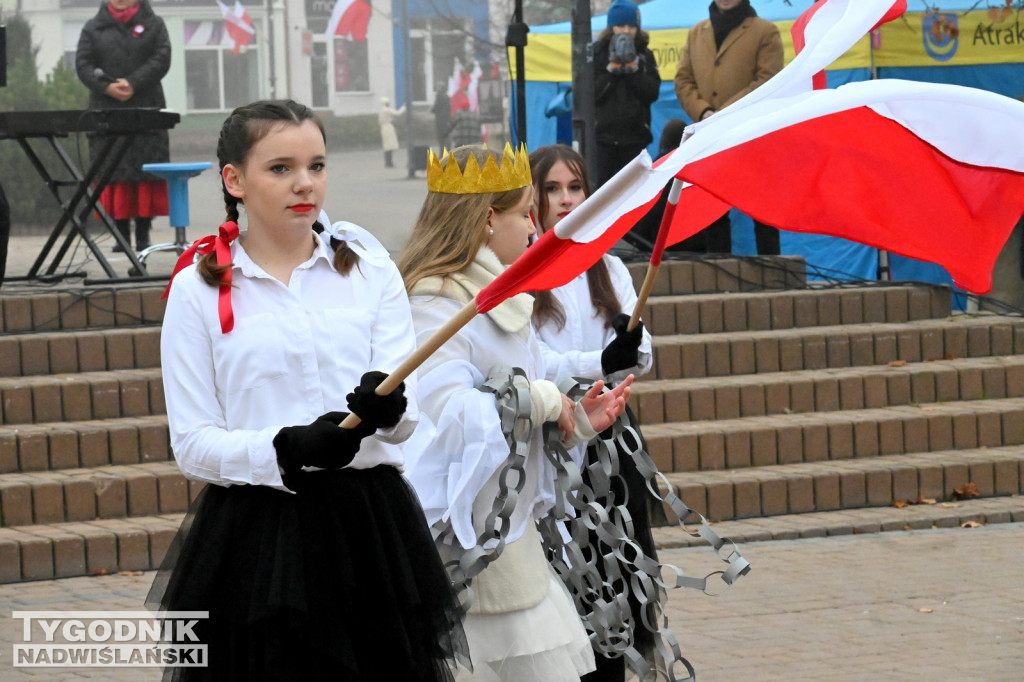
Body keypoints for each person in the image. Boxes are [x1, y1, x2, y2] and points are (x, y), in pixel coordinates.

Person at [147, 99, 465, 681]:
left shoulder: (370, 271)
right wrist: (284, 448)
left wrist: (390, 408)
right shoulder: (197, 290)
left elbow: (407, 416)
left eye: (316, 166)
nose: (305, 184)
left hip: (369, 530)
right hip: (256, 535)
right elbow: (192, 443)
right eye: (280, 168)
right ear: (234, 180)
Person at [397, 144, 634, 681]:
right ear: (486, 220)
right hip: (462, 549)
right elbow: (448, 411)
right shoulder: (434, 303)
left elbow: (518, 411)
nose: (535, 225)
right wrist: (544, 400)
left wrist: (576, 421)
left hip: (510, 539)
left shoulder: (500, 294)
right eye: (524, 211)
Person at [528, 144, 658, 682]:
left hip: (613, 441)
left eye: (575, 187)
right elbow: (531, 363)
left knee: (619, 574)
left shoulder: (609, 267)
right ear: (532, 198)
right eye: (553, 189)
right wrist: (594, 361)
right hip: (554, 435)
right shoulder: (524, 272)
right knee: (563, 573)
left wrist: (628, 349)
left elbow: (642, 354)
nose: (565, 200)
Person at [673, 0, 784, 255]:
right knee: (711, 211)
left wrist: (724, 114)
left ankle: (775, 276)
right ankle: (718, 269)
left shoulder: (765, 31)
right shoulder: (696, 32)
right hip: (709, 135)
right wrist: (704, 112)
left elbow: (768, 80)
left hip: (751, 135)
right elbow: (683, 80)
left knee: (762, 211)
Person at [75, 0, 171, 253]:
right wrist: (106, 87)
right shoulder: (92, 28)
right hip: (107, 112)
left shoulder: (154, 24)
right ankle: (120, 235)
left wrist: (133, 83)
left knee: (144, 174)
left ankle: (143, 235)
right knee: (112, 173)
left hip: (146, 110)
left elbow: (161, 58)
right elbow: (83, 64)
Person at [593, 0, 661, 188]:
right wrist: (611, 71)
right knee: (601, 191)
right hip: (603, 139)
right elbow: (592, 94)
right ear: (611, 27)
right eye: (620, 25)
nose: (626, 31)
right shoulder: (597, 53)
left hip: (635, 137)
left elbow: (652, 92)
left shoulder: (645, 55)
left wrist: (633, 71)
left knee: (634, 192)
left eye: (631, 26)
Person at [379, 96, 406, 168]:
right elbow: (398, 113)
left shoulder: (382, 110)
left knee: (387, 145)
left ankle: (388, 162)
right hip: (388, 127)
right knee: (389, 145)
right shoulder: (386, 110)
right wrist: (404, 107)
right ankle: (388, 163)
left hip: (384, 127)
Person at [431, 84, 451, 150]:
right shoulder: (447, 97)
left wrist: (432, 109)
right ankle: (448, 149)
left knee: (440, 137)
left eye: (438, 87)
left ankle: (442, 151)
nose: (437, 89)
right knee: (446, 135)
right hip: (447, 119)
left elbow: (436, 108)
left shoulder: (439, 97)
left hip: (440, 120)